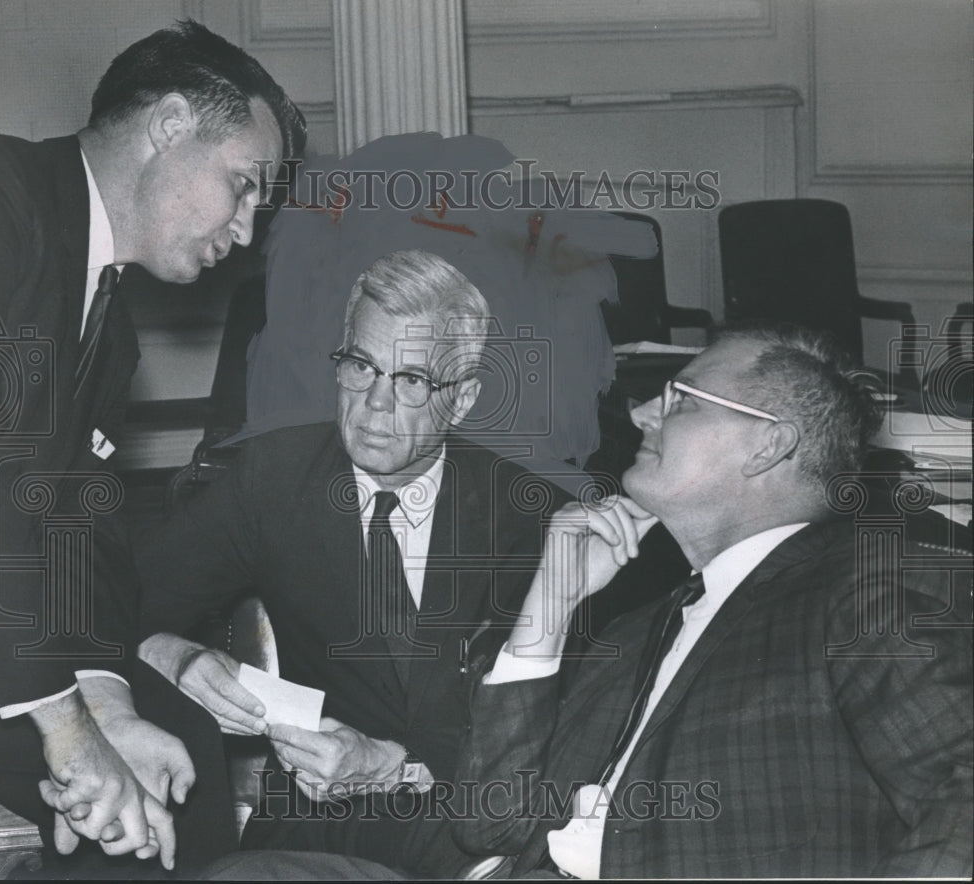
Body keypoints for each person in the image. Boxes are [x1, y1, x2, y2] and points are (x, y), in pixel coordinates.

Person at [200, 323, 972, 879]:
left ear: (767, 444)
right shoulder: (645, 627)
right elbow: (492, 817)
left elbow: (962, 790)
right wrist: (549, 605)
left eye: (680, 401)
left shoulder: (863, 587)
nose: (642, 416)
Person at [0, 19, 306, 874]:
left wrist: (108, 702)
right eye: (242, 186)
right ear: (167, 125)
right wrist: (68, 729)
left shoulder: (107, 325)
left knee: (171, 742)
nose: (244, 230)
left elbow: (77, 525)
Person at [135, 248, 570, 877]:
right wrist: (174, 655)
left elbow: (556, 715)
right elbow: (115, 601)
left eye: (413, 381)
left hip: (472, 813)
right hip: (316, 813)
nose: (374, 405)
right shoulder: (274, 478)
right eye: (361, 366)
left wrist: (393, 762)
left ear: (465, 399)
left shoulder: (525, 511)